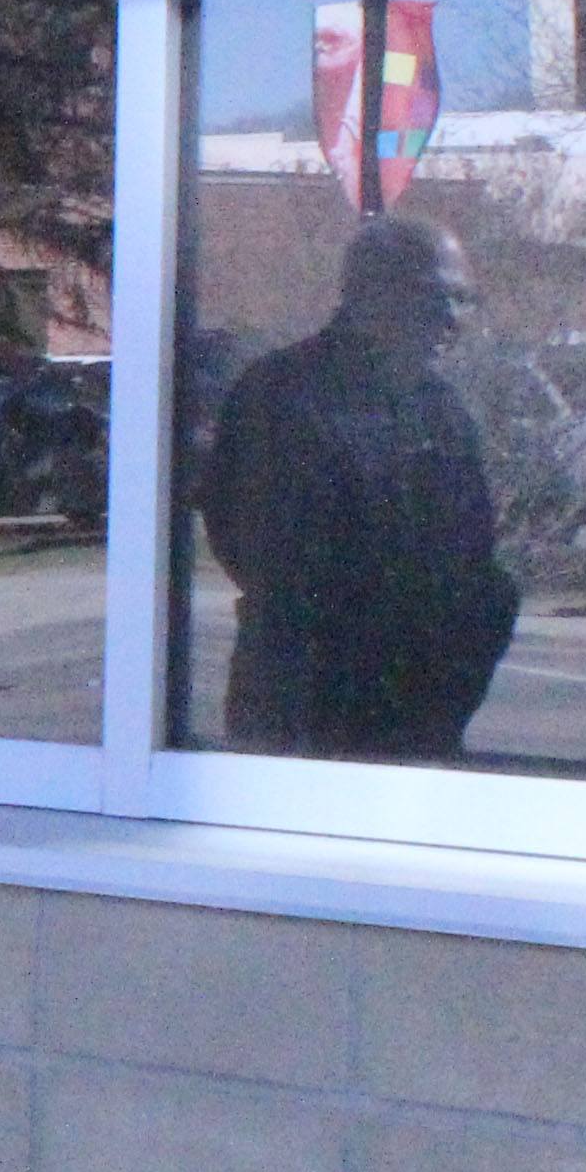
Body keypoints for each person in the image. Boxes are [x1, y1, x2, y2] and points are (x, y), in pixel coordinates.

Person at [197, 213, 516, 761]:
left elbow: (473, 565)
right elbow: (263, 558)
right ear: (368, 292)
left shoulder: (441, 411)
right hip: (302, 713)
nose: (452, 319)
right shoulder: (282, 397)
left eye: (464, 300)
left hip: (418, 715)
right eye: (434, 296)